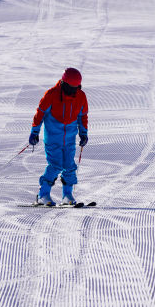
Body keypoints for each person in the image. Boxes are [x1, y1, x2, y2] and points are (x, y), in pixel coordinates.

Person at [29, 68, 89, 205]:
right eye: (71, 88)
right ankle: (43, 195)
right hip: (53, 138)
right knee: (55, 165)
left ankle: (67, 196)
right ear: (64, 83)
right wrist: (34, 132)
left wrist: (83, 134)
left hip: (69, 138)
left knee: (69, 165)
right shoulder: (51, 94)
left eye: (76, 87)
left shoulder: (80, 96)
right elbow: (40, 114)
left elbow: (83, 116)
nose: (73, 91)